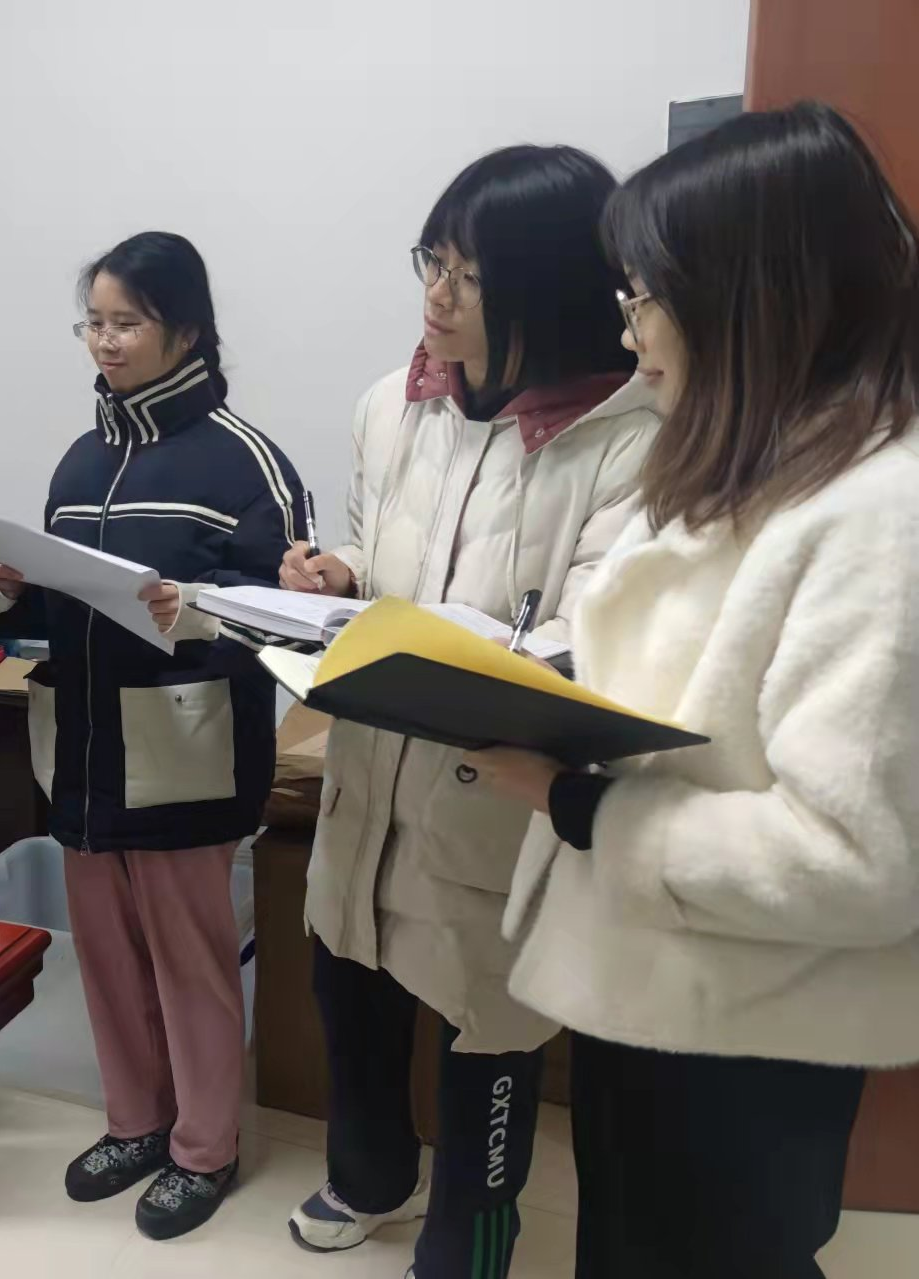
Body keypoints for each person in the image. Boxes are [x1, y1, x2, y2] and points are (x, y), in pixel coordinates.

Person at [472, 102, 919, 1279]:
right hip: (665, 989)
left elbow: (853, 858)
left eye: (644, 297)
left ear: (745, 298)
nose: (631, 335)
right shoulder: (751, 465)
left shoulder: (879, 516)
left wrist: (581, 807)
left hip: (751, 1028)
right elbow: (703, 694)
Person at [276, 148, 659, 1276]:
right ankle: (370, 1176)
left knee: (484, 1030)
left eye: (471, 276)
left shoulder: (632, 439)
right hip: (369, 777)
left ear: (551, 286)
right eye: (431, 262)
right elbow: (374, 545)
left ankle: (471, 1235)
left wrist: (488, 655)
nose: (436, 296)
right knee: (350, 983)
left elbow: (597, 638)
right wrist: (340, 575)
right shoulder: (392, 405)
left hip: (494, 798)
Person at [0, 231, 304, 1240]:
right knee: (109, 959)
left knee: (191, 962)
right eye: (94, 323)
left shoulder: (245, 462)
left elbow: (289, 620)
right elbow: (49, 603)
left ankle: (204, 1146)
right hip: (82, 749)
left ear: (185, 330)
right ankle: (135, 1122)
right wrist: (1, 586)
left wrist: (193, 609)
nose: (105, 342)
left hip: (185, 754)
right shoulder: (82, 460)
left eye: (128, 322)